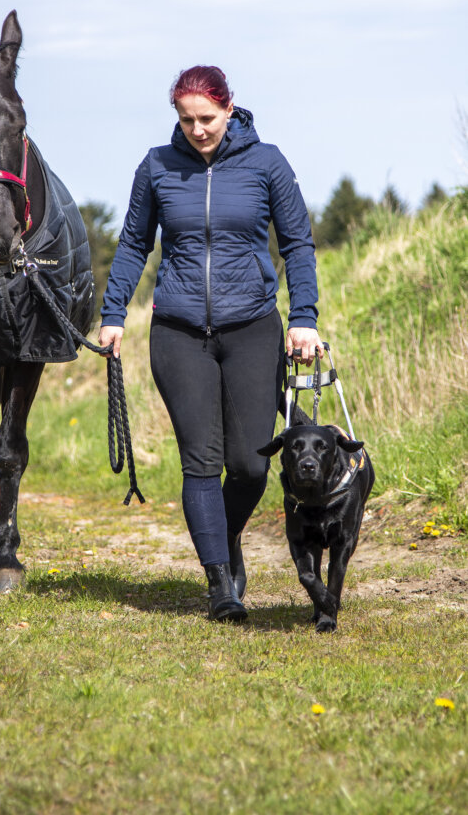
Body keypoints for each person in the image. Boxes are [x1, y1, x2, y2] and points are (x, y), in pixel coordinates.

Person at [98, 65, 323, 622]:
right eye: (186, 119)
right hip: (177, 331)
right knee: (201, 460)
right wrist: (113, 313)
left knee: (250, 466)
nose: (197, 130)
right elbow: (132, 245)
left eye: (207, 118)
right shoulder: (156, 165)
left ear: (229, 109)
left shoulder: (266, 162)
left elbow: (297, 243)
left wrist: (305, 317)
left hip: (252, 328)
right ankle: (221, 582)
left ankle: (223, 538)